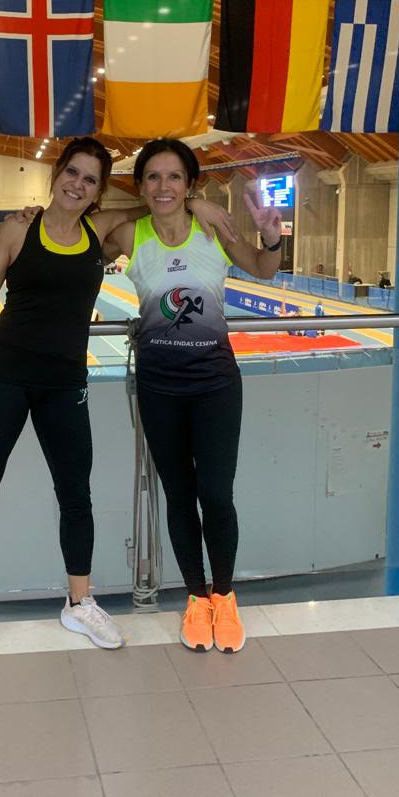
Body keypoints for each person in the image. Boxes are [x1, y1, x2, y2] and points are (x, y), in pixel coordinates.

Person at [0, 137, 237, 669]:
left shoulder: (101, 230)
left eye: (90, 179)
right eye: (72, 172)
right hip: (5, 375)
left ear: (98, 192)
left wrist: (198, 203)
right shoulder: (18, 228)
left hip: (65, 381)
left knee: (76, 495)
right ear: (56, 175)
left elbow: (158, 202)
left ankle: (79, 602)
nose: (78, 184)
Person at [108, 138, 282, 655]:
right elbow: (83, 228)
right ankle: (196, 598)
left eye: (175, 178)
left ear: (190, 183)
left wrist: (272, 237)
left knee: (216, 496)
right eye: (153, 177)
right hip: (159, 388)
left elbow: (263, 267)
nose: (164, 186)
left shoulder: (212, 230)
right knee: (179, 498)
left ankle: (224, 596)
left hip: (215, 386)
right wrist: (160, 207)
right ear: (140, 186)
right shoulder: (130, 234)